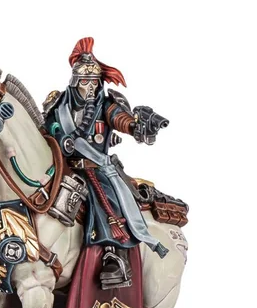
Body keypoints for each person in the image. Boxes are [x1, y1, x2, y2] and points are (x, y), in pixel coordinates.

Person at [43, 37, 170, 289]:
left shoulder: (105, 105)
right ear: (75, 81)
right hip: (61, 165)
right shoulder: (59, 103)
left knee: (107, 199)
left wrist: (135, 126)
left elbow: (120, 119)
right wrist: (59, 134)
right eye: (85, 81)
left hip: (95, 167)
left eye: (94, 81)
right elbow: (48, 125)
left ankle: (114, 255)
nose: (90, 87)